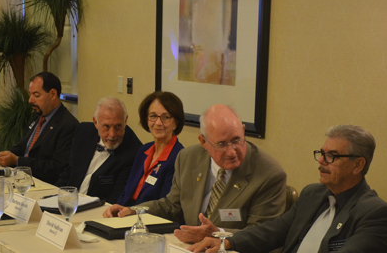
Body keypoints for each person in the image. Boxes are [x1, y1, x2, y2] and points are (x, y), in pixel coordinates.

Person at [190, 125, 387, 253]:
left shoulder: (375, 212)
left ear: (358, 165)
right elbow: (275, 230)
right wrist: (227, 241)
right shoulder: (312, 194)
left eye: (332, 156)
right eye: (321, 153)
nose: (321, 161)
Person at [104, 104, 287, 243]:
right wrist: (134, 211)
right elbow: (172, 206)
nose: (232, 151)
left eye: (237, 140)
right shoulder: (188, 158)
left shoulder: (269, 175)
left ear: (244, 131)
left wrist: (218, 235)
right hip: (189, 251)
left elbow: (262, 235)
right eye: (221, 144)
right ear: (203, 142)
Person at [0, 72, 79, 185]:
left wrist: (17, 161)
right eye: (30, 94)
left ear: (53, 94)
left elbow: (57, 168)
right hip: (23, 179)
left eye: (36, 95)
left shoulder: (68, 125)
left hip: (43, 184)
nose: (30, 100)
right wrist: (7, 155)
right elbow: (23, 147)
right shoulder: (38, 117)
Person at [56, 97, 142, 204]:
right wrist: (56, 197)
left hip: (95, 211)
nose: (112, 134)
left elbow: (115, 201)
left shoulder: (133, 152)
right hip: (68, 203)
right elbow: (69, 173)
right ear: (95, 122)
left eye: (118, 126)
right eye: (106, 126)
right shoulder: (83, 132)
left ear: (125, 121)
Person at [115, 91, 185, 207]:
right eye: (153, 116)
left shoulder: (179, 157)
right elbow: (127, 192)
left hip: (150, 220)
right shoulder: (143, 150)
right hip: (127, 215)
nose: (158, 123)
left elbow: (166, 207)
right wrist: (117, 208)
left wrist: (130, 212)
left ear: (176, 123)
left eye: (165, 117)